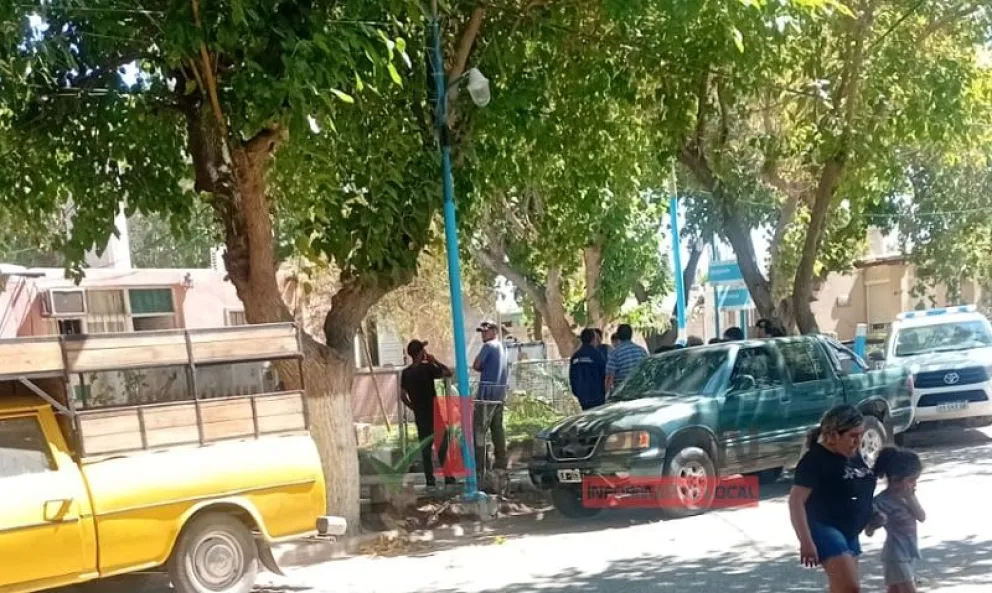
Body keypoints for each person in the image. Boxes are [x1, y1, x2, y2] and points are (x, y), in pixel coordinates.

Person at [789, 405, 883, 593]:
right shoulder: (814, 459)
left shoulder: (853, 454)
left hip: (850, 529)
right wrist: (806, 542)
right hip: (824, 525)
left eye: (860, 435)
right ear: (833, 436)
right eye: (852, 436)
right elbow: (795, 502)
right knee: (851, 587)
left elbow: (858, 486)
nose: (858, 442)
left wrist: (871, 512)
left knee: (843, 589)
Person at [867, 447, 926, 593]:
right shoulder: (880, 501)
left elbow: (922, 517)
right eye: (911, 480)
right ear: (895, 479)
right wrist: (877, 522)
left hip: (909, 552)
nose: (914, 485)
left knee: (895, 590)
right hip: (895, 555)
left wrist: (910, 497)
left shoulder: (908, 496)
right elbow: (868, 530)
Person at [400, 340, 455, 487]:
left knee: (425, 449)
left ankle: (429, 479)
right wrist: (435, 360)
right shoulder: (428, 368)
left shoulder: (406, 373)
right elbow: (448, 373)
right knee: (442, 445)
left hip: (420, 414)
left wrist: (413, 407)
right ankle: (448, 477)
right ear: (421, 353)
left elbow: (403, 396)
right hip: (434, 412)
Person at [472, 321, 509, 480]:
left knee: (479, 430)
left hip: (486, 396)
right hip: (499, 394)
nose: (483, 334)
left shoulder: (488, 346)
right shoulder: (502, 347)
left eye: (486, 331)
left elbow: (476, 364)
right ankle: (501, 462)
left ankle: (481, 466)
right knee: (497, 429)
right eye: (481, 332)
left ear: (494, 331)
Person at [569, 328, 607, 410]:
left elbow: (572, 377)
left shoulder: (575, 356)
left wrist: (577, 392)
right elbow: (604, 373)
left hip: (582, 395)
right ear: (593, 339)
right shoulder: (597, 355)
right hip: (597, 395)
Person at [605, 324, 648, 393]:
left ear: (618, 336)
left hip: (622, 393)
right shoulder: (642, 351)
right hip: (640, 391)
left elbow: (610, 378)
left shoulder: (615, 353)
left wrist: (607, 395)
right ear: (631, 335)